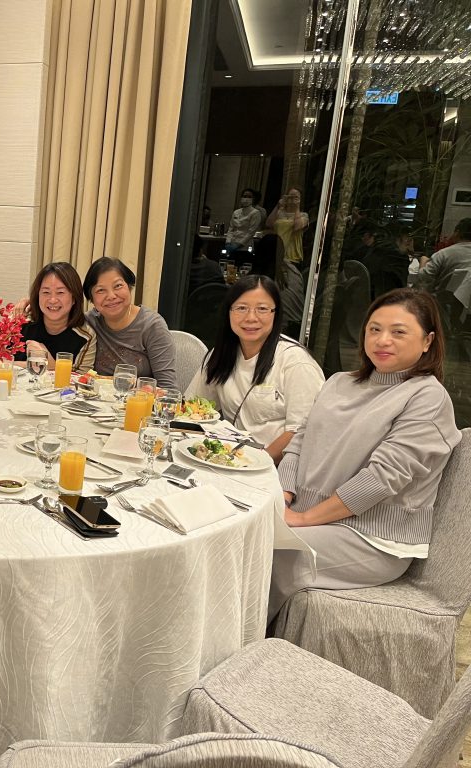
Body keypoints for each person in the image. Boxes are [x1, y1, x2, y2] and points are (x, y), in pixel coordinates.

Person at [269, 289, 461, 621]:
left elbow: (382, 479)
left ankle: (242, 644)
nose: (382, 340)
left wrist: (303, 519)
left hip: (371, 538)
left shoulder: (427, 397)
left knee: (263, 551)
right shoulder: (338, 382)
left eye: (398, 332)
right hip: (307, 516)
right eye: (374, 329)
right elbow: (300, 441)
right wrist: (284, 495)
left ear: (427, 341)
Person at [186, 275, 324, 464]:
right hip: (229, 459)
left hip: (274, 467)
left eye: (262, 309)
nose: (251, 318)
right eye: (241, 308)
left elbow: (300, 432)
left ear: (276, 313)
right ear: (229, 312)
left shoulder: (296, 362)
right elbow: (195, 407)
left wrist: (256, 462)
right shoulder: (221, 354)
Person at [82, 256, 177, 387]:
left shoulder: (152, 326)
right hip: (95, 399)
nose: (111, 296)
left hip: (141, 398)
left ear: (129, 287)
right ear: (92, 299)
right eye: (101, 290)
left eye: (118, 286)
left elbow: (168, 388)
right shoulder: (88, 323)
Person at [13, 262, 96, 372]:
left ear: (74, 298)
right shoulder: (21, 322)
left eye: (60, 292)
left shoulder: (85, 336)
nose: (52, 300)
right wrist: (35, 364)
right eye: (46, 292)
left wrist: (52, 366)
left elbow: (83, 379)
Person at [416, 217, 471, 297]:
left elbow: (423, 278)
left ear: (457, 232)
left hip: (439, 301)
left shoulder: (444, 254)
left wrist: (423, 261)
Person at [266, 188, 309, 265]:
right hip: (276, 250)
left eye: (296, 197)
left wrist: (297, 208)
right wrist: (278, 206)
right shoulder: (279, 212)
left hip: (291, 254)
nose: (292, 200)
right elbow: (268, 224)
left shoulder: (303, 215)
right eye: (290, 197)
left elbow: (297, 227)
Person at [225, 188, 263, 254]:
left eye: (249, 197)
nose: (246, 198)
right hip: (232, 243)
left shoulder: (255, 213)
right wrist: (228, 242)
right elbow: (231, 229)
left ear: (253, 199)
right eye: (244, 196)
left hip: (245, 247)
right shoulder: (236, 212)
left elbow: (250, 233)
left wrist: (238, 245)